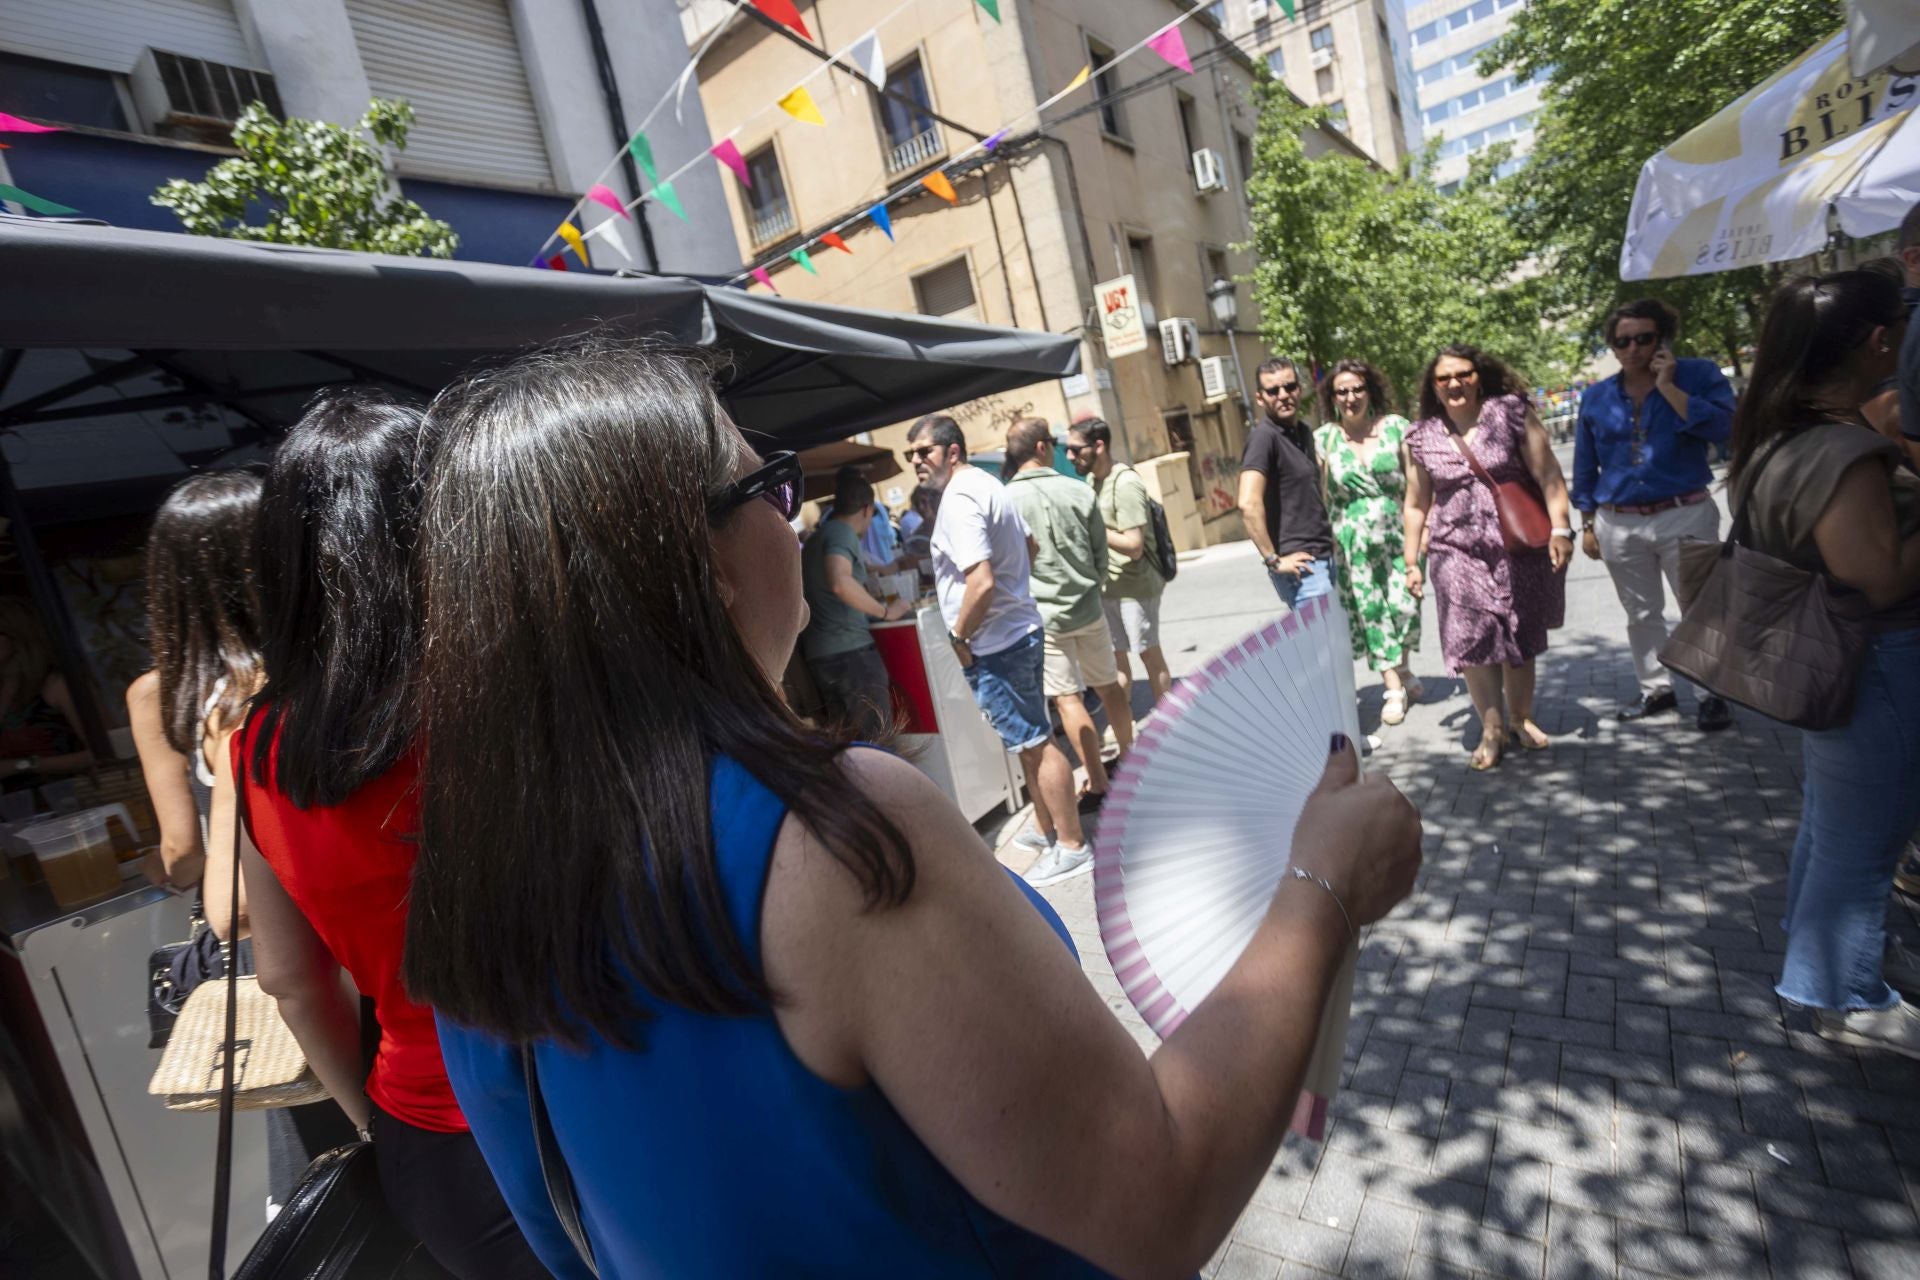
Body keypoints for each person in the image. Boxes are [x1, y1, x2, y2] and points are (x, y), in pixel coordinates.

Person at [402, 340, 1424, 1280]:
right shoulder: (835, 832)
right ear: (701, 565)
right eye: (770, 481)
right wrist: (1322, 888)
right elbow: (1154, 1195)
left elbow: (563, 1233)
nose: (793, 517)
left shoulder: (475, 883)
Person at [236, 390, 546, 1278]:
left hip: (428, 1145)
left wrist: (380, 1123)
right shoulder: (508, 694)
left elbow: (291, 980)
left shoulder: (257, 748)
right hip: (582, 1102)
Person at [127, 468, 353, 1213]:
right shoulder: (310, 674)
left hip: (258, 959)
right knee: (376, 1130)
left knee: (312, 1154)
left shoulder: (157, 693)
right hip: (338, 925)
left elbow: (183, 857)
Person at [1729, 271, 1920, 1058]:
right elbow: (1876, 575)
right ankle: (1845, 996)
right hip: (1880, 657)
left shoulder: (1781, 436)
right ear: (1879, 342)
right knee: (1862, 837)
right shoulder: (1840, 451)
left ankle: (1825, 967)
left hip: (1838, 663)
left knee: (1835, 822)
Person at [906, 414, 1092, 885]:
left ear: (952, 451)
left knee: (1035, 743)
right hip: (1015, 632)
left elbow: (981, 581)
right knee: (1028, 744)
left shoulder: (961, 499)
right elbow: (1026, 547)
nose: (915, 462)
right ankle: (1047, 826)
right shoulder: (989, 485)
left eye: (923, 451)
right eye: (910, 454)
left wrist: (960, 637)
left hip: (997, 644)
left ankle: (1072, 844)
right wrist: (1013, 593)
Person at [1404, 345, 1574, 770]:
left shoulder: (1511, 414)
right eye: (1444, 378)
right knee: (1471, 638)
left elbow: (1548, 473)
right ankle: (1492, 728)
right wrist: (1411, 561)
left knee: (1519, 632)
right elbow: (1414, 503)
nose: (1454, 384)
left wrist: (1561, 527)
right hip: (1453, 548)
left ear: (1479, 377)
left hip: (1516, 544)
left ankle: (1521, 717)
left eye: (1463, 374)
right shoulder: (1420, 436)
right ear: (1434, 386)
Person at [1571, 299, 1736, 731]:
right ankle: (1656, 690)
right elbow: (1586, 464)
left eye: (1643, 338)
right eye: (1622, 341)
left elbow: (1725, 429)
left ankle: (1710, 694)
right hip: (1619, 521)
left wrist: (1669, 387)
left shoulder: (1698, 376)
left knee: (1698, 607)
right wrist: (1586, 522)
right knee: (1641, 614)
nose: (1633, 349)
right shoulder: (1596, 396)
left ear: (1661, 338)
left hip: (1685, 513)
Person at [1003, 417, 1135, 811]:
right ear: (1042, 448)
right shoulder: (1078, 491)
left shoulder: (1006, 499)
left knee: (1067, 698)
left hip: (1044, 613)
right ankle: (1133, 765)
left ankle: (1097, 782)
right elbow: (1099, 554)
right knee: (1109, 685)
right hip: (1088, 606)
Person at [1312, 360, 1423, 726]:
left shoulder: (1395, 428)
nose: (1350, 397)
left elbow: (1417, 485)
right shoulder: (1324, 439)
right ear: (1332, 398)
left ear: (1370, 390)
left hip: (1398, 535)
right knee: (1372, 612)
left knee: (1404, 608)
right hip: (1351, 544)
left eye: (1357, 388)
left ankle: (1402, 667)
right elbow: (1312, 490)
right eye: (1341, 391)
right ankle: (1392, 686)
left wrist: (1424, 531)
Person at [1068, 418, 1173, 708]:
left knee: (1149, 655)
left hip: (1135, 586)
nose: (1069, 456)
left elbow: (1134, 546)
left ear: (1098, 446)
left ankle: (1172, 729)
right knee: (1116, 661)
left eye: (1075, 450)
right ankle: (1123, 730)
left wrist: (1094, 526)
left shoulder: (1125, 483)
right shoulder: (1092, 482)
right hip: (1107, 587)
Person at [800, 468, 910, 737]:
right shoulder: (843, 533)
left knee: (850, 746)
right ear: (867, 509)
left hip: (820, 655)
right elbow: (840, 581)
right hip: (851, 655)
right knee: (878, 742)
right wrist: (886, 612)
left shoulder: (818, 537)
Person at [1240, 358, 1337, 611]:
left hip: (1324, 558)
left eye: (1289, 387)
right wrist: (1273, 560)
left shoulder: (1303, 432)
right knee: (1322, 648)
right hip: (1302, 569)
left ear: (1299, 389)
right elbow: (1248, 504)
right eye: (1273, 391)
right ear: (1260, 398)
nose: (1283, 395)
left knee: (1333, 647)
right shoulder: (1264, 438)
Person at [0, 598, 94, 795]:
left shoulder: (56, 685)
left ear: (16, 636)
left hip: (71, 803)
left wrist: (22, 765)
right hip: (15, 814)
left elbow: (103, 752)